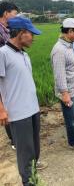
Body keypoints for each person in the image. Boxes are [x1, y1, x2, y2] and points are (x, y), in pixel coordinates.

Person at [0, 16, 44, 186]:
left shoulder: (25, 55)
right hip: (18, 114)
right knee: (25, 153)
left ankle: (33, 178)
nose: (33, 37)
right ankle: (29, 183)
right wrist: (1, 109)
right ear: (20, 33)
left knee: (35, 150)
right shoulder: (3, 54)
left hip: (33, 109)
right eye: (30, 34)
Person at [51, 18, 74, 151]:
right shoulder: (59, 50)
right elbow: (59, 74)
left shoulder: (69, 46)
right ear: (70, 31)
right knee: (71, 118)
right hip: (68, 92)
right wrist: (65, 94)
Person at [0, 1, 19, 150]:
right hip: (3, 75)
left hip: (10, 74)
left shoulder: (6, 30)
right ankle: (14, 140)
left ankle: (16, 136)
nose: (16, 17)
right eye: (14, 14)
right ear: (6, 13)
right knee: (5, 106)